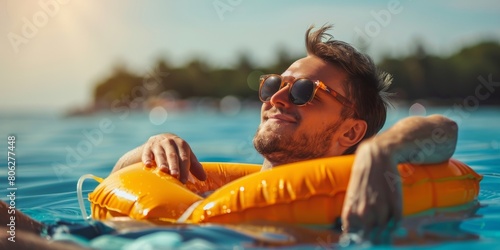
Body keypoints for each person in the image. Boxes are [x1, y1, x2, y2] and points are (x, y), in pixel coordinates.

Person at [1, 25, 458, 247]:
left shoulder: (359, 189)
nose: (277, 97)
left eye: (303, 91)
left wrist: (383, 149)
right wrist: (146, 151)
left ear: (352, 131)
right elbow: (109, 200)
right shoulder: (216, 187)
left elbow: (444, 131)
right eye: (272, 85)